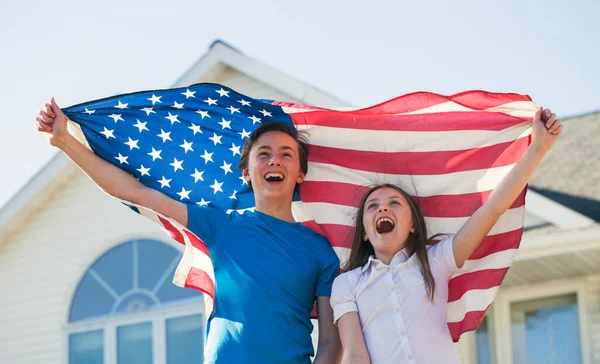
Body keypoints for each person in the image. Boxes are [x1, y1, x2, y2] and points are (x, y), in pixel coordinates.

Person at [35, 98, 342, 364]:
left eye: (287, 153)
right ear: (247, 172)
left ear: (300, 173)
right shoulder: (221, 226)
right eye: (264, 153)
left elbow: (331, 341)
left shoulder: (319, 251)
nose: (275, 159)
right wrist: (64, 140)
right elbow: (135, 192)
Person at [330, 107, 563, 364]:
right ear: (364, 232)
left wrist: (539, 147)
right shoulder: (347, 284)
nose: (383, 208)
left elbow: (493, 209)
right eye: (372, 206)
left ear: (413, 227)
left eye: (395, 203)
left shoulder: (436, 260)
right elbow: (354, 354)